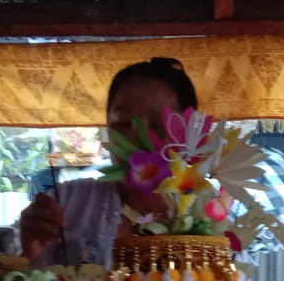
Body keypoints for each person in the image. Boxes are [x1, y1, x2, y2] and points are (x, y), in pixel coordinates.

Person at [19, 57, 198, 268]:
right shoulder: (67, 203)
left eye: (157, 125)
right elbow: (21, 280)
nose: (136, 137)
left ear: (187, 134)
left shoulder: (205, 215)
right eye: (123, 123)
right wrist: (28, 252)